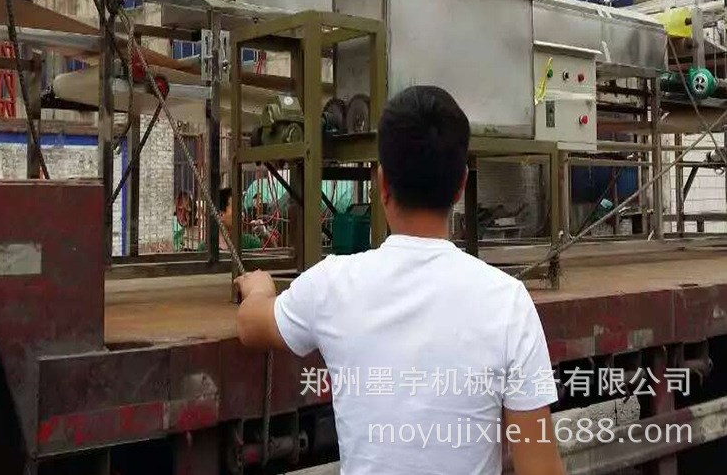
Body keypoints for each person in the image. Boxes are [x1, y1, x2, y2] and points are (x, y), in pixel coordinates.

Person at [236, 86, 564, 475]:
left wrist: (258, 289)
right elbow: (540, 468)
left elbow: (250, 325)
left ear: (382, 183)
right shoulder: (508, 303)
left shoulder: (333, 284)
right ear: (461, 185)